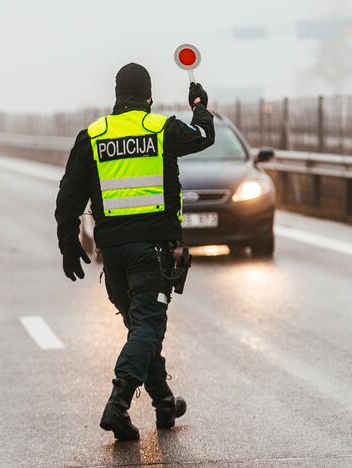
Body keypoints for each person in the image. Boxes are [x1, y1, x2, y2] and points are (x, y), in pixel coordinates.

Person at [54, 63, 215, 440]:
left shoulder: (92, 136)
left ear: (115, 95)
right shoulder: (160, 129)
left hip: (112, 256)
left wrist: (68, 243)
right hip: (153, 250)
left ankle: (164, 403)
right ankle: (118, 403)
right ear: (149, 96)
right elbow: (205, 135)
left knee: (141, 329)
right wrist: (199, 104)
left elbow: (68, 197)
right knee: (147, 327)